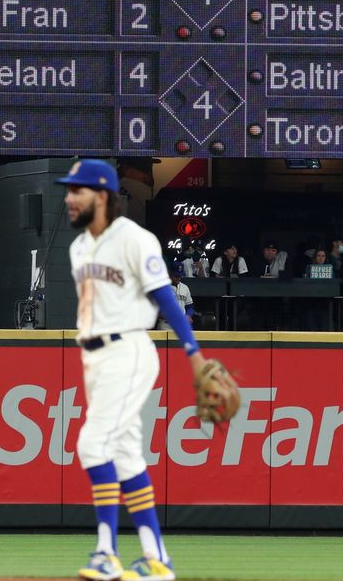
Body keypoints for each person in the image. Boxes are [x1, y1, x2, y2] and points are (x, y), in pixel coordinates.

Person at [57, 159, 211, 581]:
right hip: (95, 355)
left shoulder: (134, 239)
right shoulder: (77, 248)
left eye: (77, 191)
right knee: (124, 455)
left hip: (127, 350)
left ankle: (106, 553)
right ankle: (156, 558)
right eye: (68, 190)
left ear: (102, 196)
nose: (69, 198)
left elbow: (164, 296)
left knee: (91, 444)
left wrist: (192, 352)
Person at [157, 262, 194, 330]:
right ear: (169, 273)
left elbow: (190, 306)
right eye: (176, 276)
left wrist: (188, 315)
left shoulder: (185, 288)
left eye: (180, 276)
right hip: (166, 325)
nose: (179, 278)